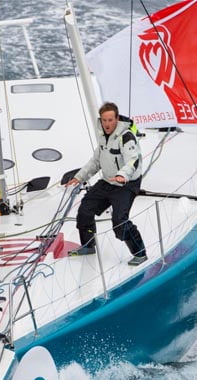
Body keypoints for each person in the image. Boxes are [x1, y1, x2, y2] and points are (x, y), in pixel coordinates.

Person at [65, 102, 148, 266]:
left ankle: (140, 253)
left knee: (119, 221)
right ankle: (88, 245)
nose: (107, 124)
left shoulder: (126, 137)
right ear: (101, 120)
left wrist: (121, 175)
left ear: (116, 119)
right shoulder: (103, 137)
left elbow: (133, 160)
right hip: (107, 181)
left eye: (110, 120)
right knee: (85, 210)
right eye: (104, 120)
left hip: (126, 184)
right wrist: (79, 177)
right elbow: (96, 161)